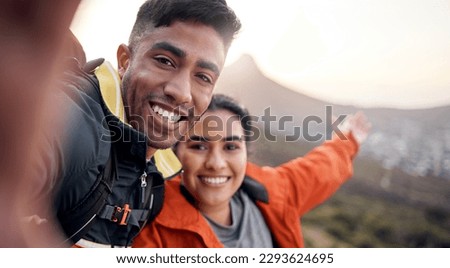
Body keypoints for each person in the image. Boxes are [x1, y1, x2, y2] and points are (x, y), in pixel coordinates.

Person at [24, 0, 241, 248]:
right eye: (165, 61)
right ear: (125, 61)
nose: (181, 92)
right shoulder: (69, 122)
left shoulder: (159, 174)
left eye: (203, 77)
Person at [133, 93, 371, 247]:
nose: (216, 163)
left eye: (231, 146)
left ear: (246, 153)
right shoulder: (150, 227)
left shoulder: (273, 190)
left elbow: (320, 169)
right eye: (199, 146)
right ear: (176, 153)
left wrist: (349, 139)